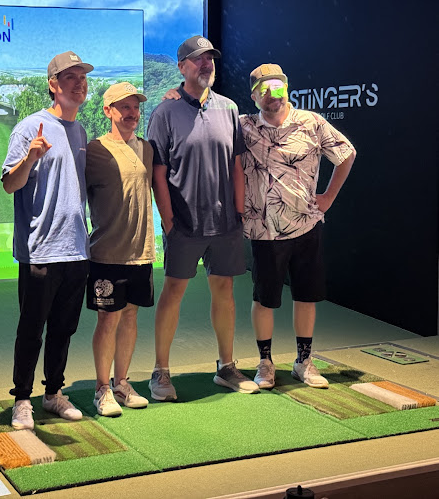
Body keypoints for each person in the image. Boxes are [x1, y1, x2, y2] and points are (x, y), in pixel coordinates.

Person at [146, 35, 259, 400]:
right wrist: (168, 221)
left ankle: (226, 367)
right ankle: (160, 372)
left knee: (224, 291)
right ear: (182, 67)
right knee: (174, 292)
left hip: (225, 223)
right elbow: (158, 172)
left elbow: (237, 164)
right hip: (184, 223)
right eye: (198, 59)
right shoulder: (164, 112)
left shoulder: (229, 108)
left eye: (210, 58)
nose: (206, 63)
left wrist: (239, 212)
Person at [238, 63, 356, 389]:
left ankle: (303, 361)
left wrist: (328, 197)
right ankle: (265, 363)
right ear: (253, 96)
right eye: (263, 89)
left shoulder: (311, 122)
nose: (271, 94)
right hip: (264, 229)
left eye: (277, 86)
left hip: (306, 225)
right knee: (264, 298)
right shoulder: (243, 126)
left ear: (287, 88)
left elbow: (346, 154)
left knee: (306, 295)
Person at [1, 51, 93, 429]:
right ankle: (22, 400)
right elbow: (10, 184)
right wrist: (30, 158)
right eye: (70, 77)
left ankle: (53, 393)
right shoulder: (29, 128)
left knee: (63, 329)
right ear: (53, 84)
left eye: (82, 77)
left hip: (76, 249)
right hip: (40, 250)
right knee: (32, 329)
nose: (79, 83)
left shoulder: (80, 131)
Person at [85, 82, 155, 416]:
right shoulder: (94, 150)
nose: (132, 113)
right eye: (124, 107)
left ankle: (122, 383)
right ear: (108, 110)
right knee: (108, 319)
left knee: (130, 316)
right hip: (107, 254)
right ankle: (102, 390)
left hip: (141, 252)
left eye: (135, 107)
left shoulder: (147, 148)